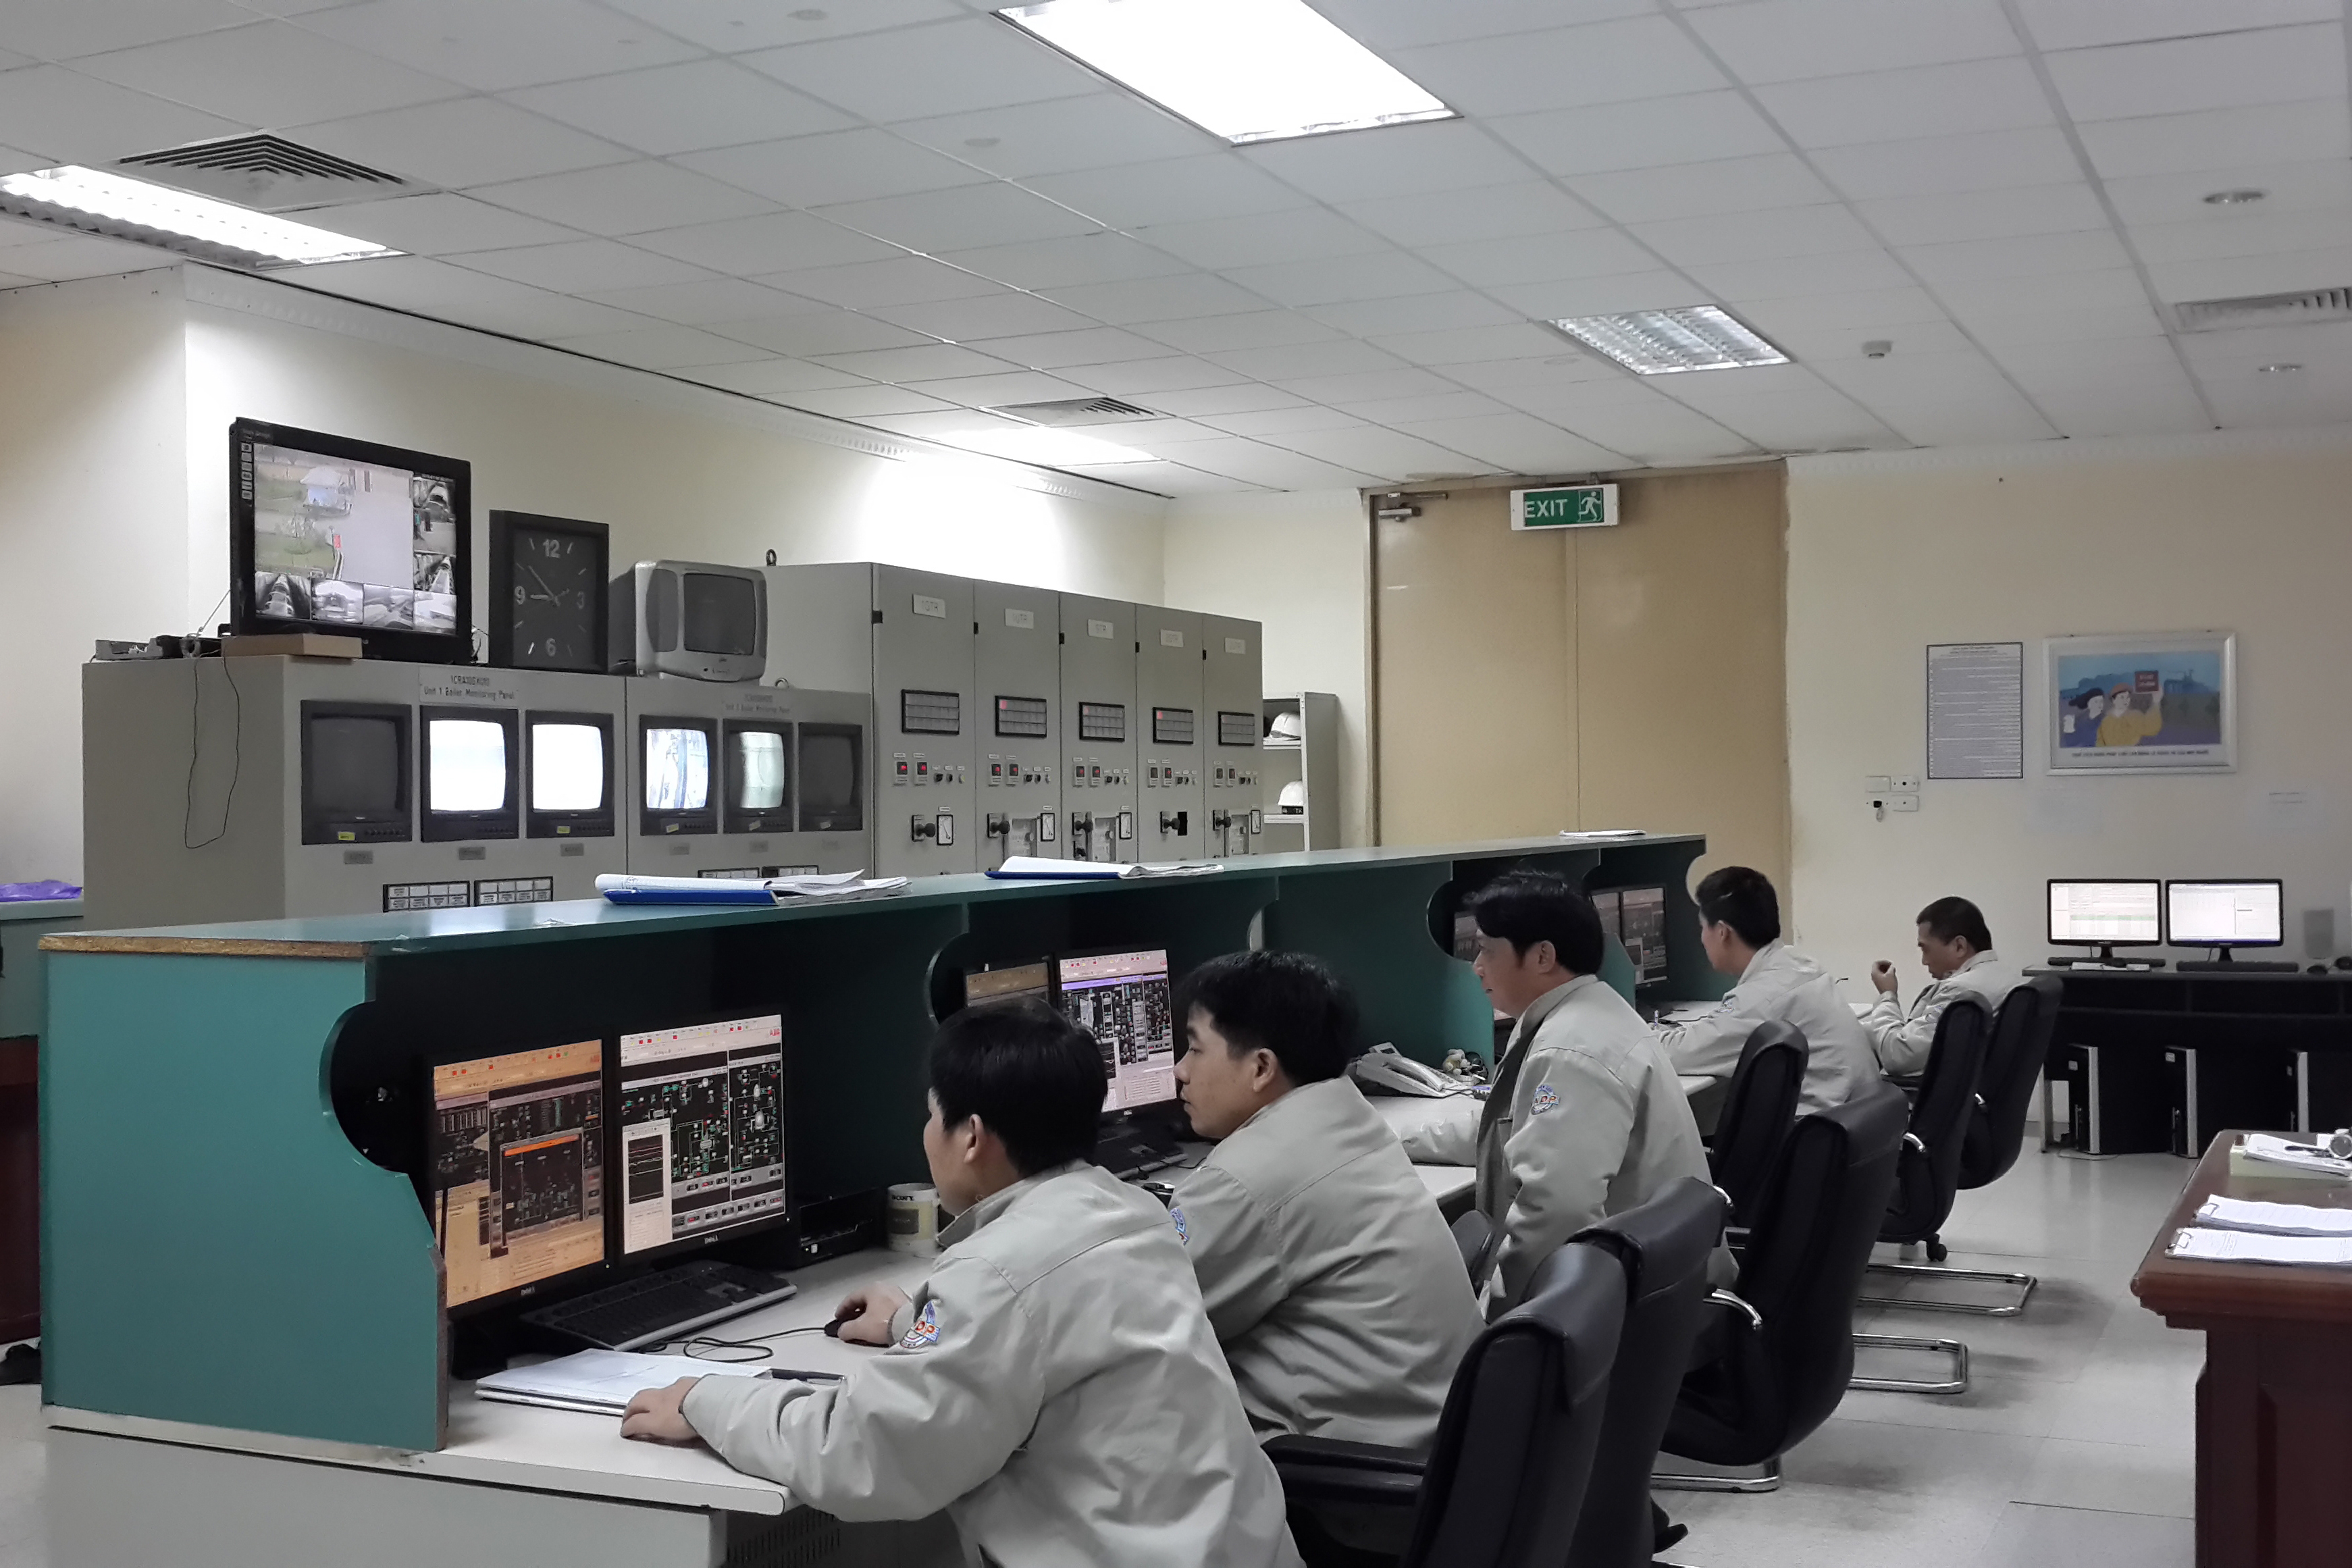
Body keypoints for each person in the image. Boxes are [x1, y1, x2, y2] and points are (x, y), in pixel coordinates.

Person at [621, 998, 1302, 1568]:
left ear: (971, 1136)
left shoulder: (998, 1274)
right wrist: (912, 1323)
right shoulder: (1131, 1212)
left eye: (932, 1115)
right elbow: (1053, 1328)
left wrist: (708, 1402)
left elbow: (866, 1456)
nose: (927, 1134)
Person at [1168, 950, 1482, 1453]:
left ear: (1261, 1067)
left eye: (1194, 1049)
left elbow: (1151, 1320)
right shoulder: (1346, 1118)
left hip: (1354, 1472)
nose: (1180, 1070)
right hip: (1443, 1439)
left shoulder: (1246, 1180)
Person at [1415, 872, 1717, 1316]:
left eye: (1486, 949)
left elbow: (1556, 1215)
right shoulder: (1590, 1012)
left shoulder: (1571, 1053)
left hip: (1622, 1311)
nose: (1476, 966)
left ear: (1542, 956)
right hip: (1657, 1285)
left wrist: (1497, 1323)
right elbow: (1513, 1130)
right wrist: (1397, 1142)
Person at [1654, 866, 1879, 1116]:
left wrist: (1648, 1033)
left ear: (1723, 932)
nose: (1702, 938)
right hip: (1858, 1122)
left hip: (1815, 1129)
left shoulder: (1759, 1000)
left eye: (1703, 928)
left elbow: (1675, 1054)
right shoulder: (1799, 964)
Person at [1864, 896, 2022, 1078]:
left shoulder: (1960, 991)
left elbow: (1899, 1056)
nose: (1924, 961)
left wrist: (1887, 996)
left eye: (1925, 949)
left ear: (1959, 946)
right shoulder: (2005, 977)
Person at [2097, 683, 2164, 747]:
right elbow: (2100, 743)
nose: (2125, 700)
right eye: (2122, 697)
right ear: (2114, 700)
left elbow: (2151, 728)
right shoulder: (2105, 722)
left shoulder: (2134, 716)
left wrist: (2156, 702)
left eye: (2128, 698)